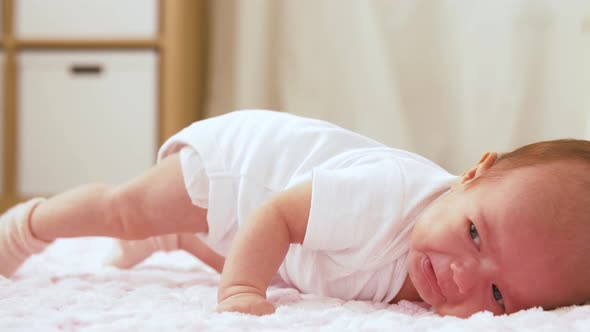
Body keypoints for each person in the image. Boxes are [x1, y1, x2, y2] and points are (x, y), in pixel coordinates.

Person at [0, 110, 588, 318]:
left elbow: (305, 259)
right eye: (474, 233)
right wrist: (239, 289)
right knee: (125, 211)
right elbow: (275, 217)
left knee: (287, 264)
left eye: (500, 296)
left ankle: (179, 236)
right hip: (239, 169)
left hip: (285, 229)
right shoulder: (387, 197)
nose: (463, 274)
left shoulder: (436, 263)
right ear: (472, 173)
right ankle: (29, 225)